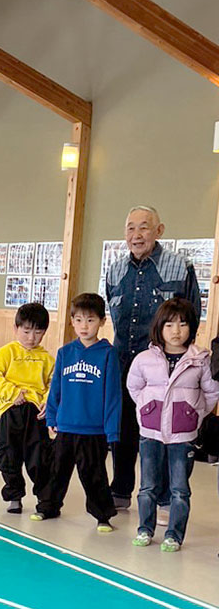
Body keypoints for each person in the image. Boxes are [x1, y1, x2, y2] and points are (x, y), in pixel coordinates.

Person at [105, 206, 200, 509]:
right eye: (130, 228)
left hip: (165, 366)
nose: (136, 235)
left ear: (159, 231)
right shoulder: (115, 269)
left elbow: (191, 316)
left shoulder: (179, 266)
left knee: (161, 430)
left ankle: (160, 496)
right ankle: (120, 490)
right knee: (123, 428)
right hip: (122, 362)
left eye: (144, 228)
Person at [127, 298, 219, 551]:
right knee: (147, 487)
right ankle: (145, 529)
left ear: (192, 328)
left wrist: (194, 415)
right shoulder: (145, 358)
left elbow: (211, 393)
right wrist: (147, 410)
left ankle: (174, 535)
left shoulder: (200, 360)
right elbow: (134, 387)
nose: (176, 331)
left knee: (180, 489)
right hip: (150, 434)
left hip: (183, 436)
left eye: (182, 324)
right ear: (159, 327)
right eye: (169, 325)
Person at [32, 294, 121, 532]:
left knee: (94, 474)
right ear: (72, 321)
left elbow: (113, 396)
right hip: (66, 426)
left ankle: (102, 514)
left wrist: (112, 431)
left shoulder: (108, 354)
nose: (84, 326)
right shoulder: (65, 353)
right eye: (79, 320)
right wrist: (51, 417)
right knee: (56, 471)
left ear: (102, 322)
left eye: (90, 320)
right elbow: (55, 390)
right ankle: (47, 506)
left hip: (94, 430)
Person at [0, 302, 55, 514]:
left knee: (40, 457)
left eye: (38, 332)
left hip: (36, 413)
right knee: (8, 455)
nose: (31, 337)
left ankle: (45, 500)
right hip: (11, 411)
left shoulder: (47, 359)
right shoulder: (6, 353)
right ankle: (14, 496)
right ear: (16, 329)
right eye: (26, 331)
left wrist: (48, 403)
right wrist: (11, 393)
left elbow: (54, 384)